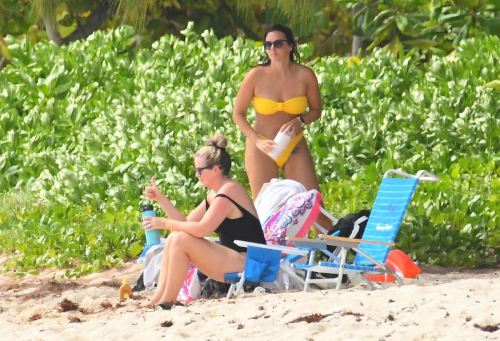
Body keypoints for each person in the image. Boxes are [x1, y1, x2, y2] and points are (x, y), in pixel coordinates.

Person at [140, 134, 266, 309]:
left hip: (250, 262)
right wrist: (161, 199)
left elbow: (202, 229)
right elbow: (184, 222)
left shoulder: (230, 190)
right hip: (233, 258)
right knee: (174, 237)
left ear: (216, 169)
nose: (197, 175)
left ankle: (167, 301)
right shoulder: (215, 194)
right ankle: (157, 299)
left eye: (200, 170)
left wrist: (164, 223)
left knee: (180, 239)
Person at [232, 23, 332, 231]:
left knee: (314, 205)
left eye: (277, 43)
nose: (272, 49)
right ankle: (271, 257)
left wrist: (300, 121)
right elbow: (238, 114)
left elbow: (316, 110)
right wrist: (257, 140)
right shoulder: (256, 75)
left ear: (290, 46)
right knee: (266, 210)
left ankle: (333, 251)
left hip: (293, 146)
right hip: (262, 149)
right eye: (267, 44)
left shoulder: (305, 75)